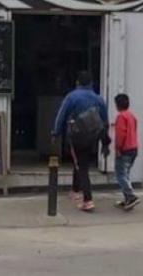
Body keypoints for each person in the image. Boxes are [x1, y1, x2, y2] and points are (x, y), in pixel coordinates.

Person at [52, 70, 109, 212]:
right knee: (80, 162)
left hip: (76, 136)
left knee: (82, 167)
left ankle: (88, 200)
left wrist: (56, 133)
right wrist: (105, 143)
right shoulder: (99, 99)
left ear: (77, 82)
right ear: (92, 83)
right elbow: (104, 122)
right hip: (92, 137)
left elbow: (61, 115)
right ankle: (75, 189)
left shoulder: (72, 97)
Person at [112, 93, 140, 210]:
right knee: (126, 174)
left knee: (120, 175)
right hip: (134, 148)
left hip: (124, 149)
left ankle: (131, 196)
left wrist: (118, 148)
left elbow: (120, 135)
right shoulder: (132, 116)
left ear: (117, 105)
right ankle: (128, 199)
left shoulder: (121, 117)